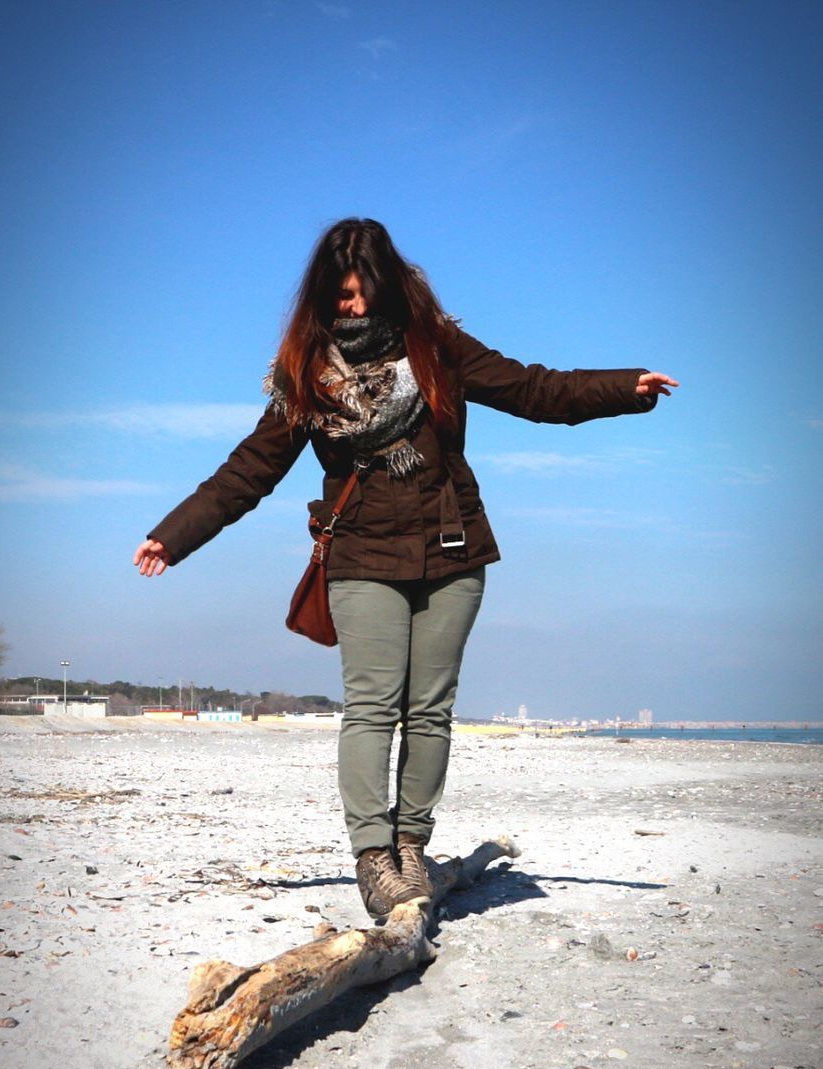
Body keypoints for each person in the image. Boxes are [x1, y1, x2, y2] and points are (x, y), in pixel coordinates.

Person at [134, 217, 677, 919]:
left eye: (359, 294)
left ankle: (411, 846)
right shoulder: (309, 374)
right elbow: (251, 468)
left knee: (429, 709)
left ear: (385, 289)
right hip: (360, 553)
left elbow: (534, 391)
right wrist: (172, 537)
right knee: (372, 706)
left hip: (453, 548)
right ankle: (372, 857)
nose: (348, 308)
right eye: (337, 296)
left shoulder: (435, 349)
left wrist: (621, 387)